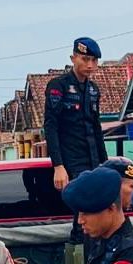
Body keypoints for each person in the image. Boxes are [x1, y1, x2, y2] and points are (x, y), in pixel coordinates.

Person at [44, 37, 106, 193]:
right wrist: (58, 166)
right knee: (83, 212)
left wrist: (105, 165)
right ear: (73, 58)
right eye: (85, 59)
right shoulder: (59, 86)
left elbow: (96, 128)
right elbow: (50, 126)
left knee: (96, 212)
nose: (90, 65)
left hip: (94, 162)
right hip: (71, 164)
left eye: (94, 60)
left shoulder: (93, 90)